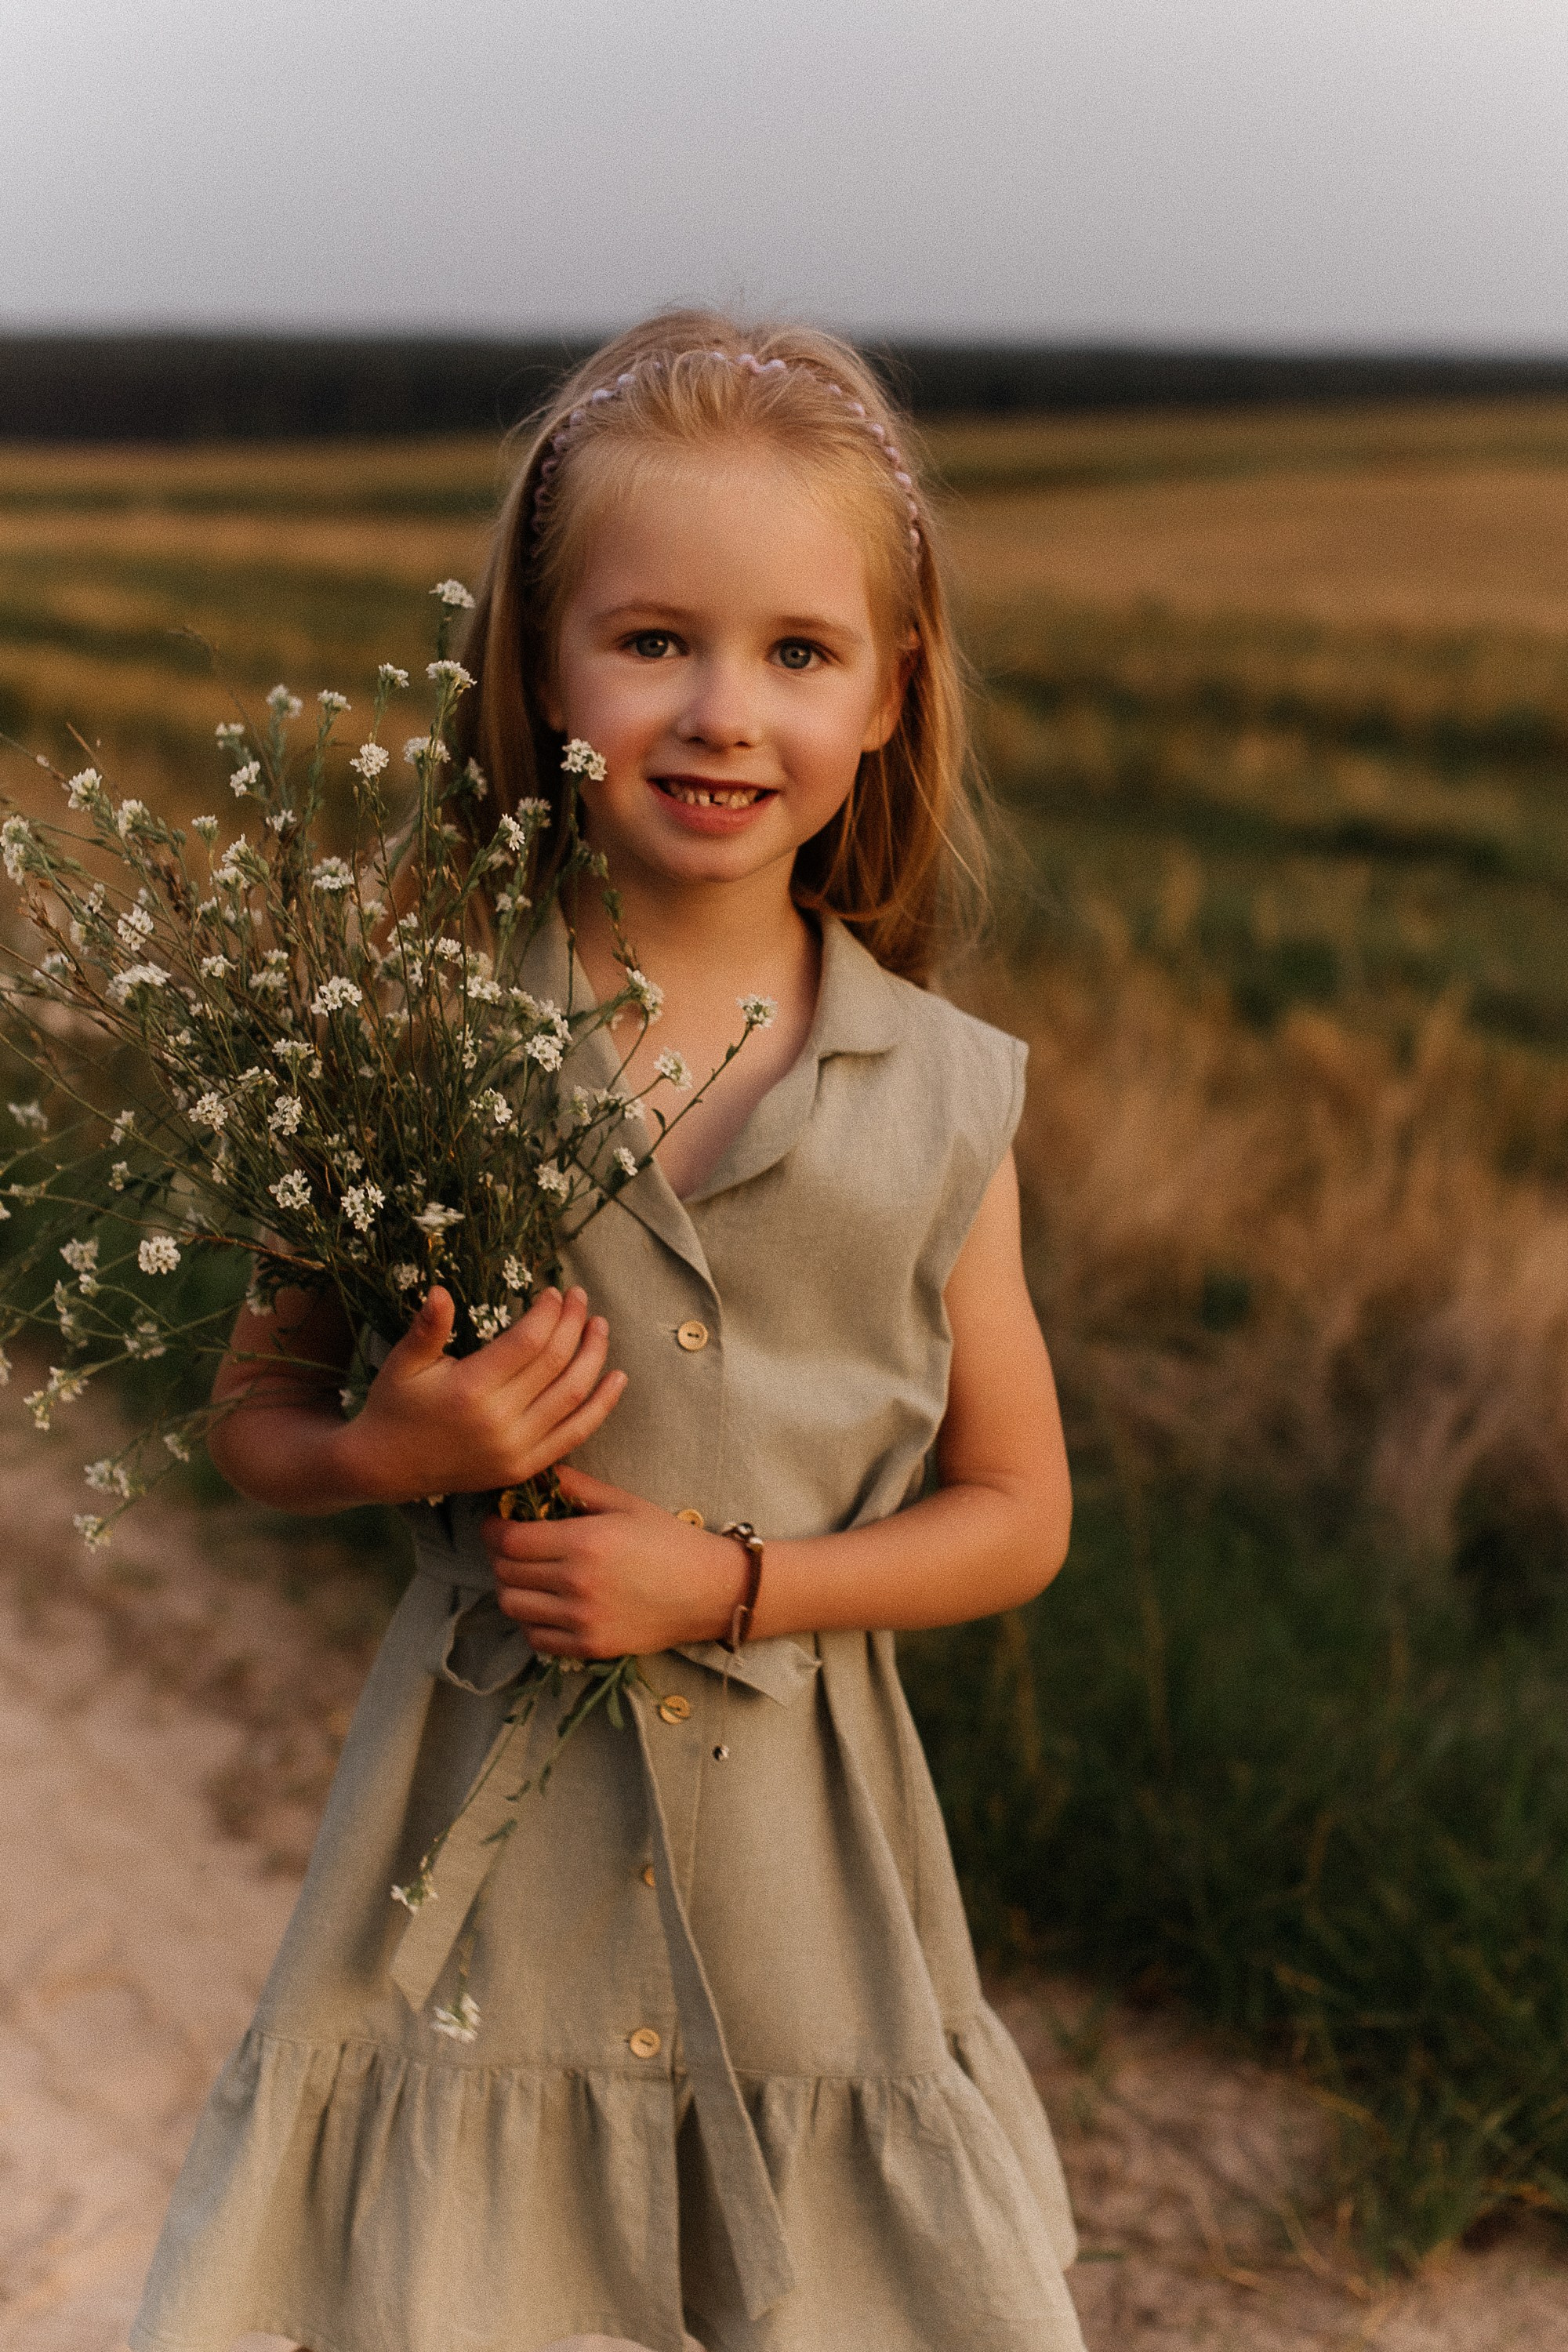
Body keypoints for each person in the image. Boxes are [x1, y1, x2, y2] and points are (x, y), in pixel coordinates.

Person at [130, 313, 1083, 2352]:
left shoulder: (938, 1093)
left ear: (889, 691)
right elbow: (254, 1418)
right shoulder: (410, 1046)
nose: (722, 712)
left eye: (799, 653)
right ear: (541, 666)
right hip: (479, 1864)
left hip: (802, 1879)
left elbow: (1017, 1513)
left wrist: (727, 1580)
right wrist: (395, 1452)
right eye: (652, 642)